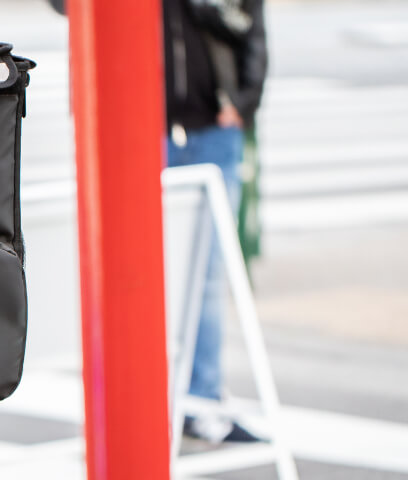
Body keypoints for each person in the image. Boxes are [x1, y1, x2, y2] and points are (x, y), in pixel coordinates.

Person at [163, 0, 268, 443]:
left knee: (205, 273)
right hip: (141, 125)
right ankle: (149, 396)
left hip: (212, 124)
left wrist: (245, 101)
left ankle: (201, 398)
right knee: (140, 272)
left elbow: (251, 26)